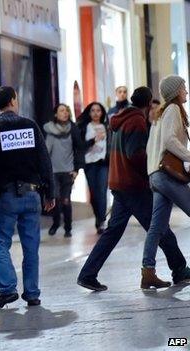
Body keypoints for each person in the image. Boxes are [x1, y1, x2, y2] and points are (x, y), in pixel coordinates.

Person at [77, 87, 190, 292]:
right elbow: (135, 154)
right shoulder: (136, 120)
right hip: (133, 185)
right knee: (160, 226)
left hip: (119, 183)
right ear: (148, 104)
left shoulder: (120, 118)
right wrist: (151, 166)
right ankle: (179, 269)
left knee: (113, 232)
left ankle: (87, 274)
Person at [0, 86, 55, 310]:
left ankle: (7, 288)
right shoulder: (30, 126)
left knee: (0, 242)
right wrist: (49, 193)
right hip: (32, 195)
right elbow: (44, 161)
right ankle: (32, 294)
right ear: (13, 100)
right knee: (31, 246)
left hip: (7, 196)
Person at [142, 75, 190, 289]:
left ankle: (148, 271)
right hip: (166, 175)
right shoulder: (172, 110)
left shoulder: (159, 114)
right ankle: (148, 271)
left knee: (157, 226)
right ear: (176, 91)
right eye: (184, 88)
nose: (186, 91)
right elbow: (170, 141)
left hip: (155, 174)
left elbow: (151, 147)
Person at [43, 104, 84, 238]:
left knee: (66, 200)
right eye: (61, 111)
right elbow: (45, 152)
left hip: (68, 170)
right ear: (56, 114)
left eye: (67, 111)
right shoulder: (49, 130)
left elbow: (79, 149)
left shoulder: (73, 129)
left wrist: (76, 169)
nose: (65, 113)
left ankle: (68, 227)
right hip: (53, 171)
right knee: (55, 198)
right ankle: (55, 223)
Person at [78, 102, 110, 234]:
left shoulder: (107, 127)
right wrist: (93, 140)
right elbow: (80, 146)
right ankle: (98, 217)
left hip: (103, 163)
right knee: (93, 194)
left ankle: (101, 221)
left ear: (102, 112)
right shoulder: (84, 127)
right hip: (89, 163)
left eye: (98, 110)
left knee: (102, 192)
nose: (96, 113)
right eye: (93, 110)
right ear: (89, 113)